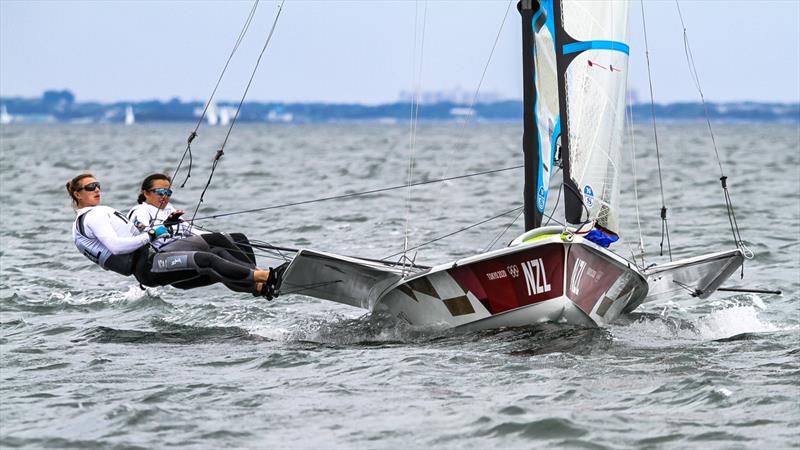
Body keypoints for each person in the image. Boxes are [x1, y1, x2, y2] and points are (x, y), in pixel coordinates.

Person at [66, 172, 286, 299]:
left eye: (98, 185)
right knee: (208, 258)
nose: (97, 189)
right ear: (77, 194)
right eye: (90, 187)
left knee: (217, 254)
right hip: (147, 266)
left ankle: (261, 285)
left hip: (150, 262)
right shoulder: (93, 215)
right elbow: (116, 247)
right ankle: (266, 277)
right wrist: (153, 233)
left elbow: (134, 235)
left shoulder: (86, 221)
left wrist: (167, 226)